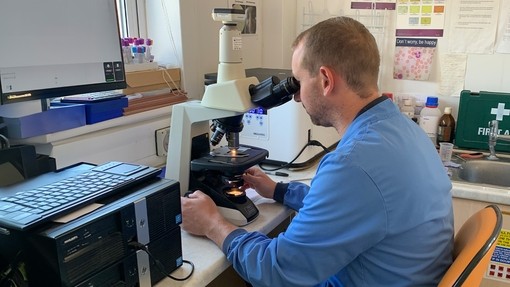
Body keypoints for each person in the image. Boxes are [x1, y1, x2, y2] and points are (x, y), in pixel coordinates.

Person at [181, 16, 453, 287]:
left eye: (298, 82)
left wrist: (213, 225)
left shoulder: (352, 165)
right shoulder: (405, 129)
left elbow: (276, 271)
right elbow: (351, 207)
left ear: (325, 79)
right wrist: (278, 190)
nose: (296, 96)